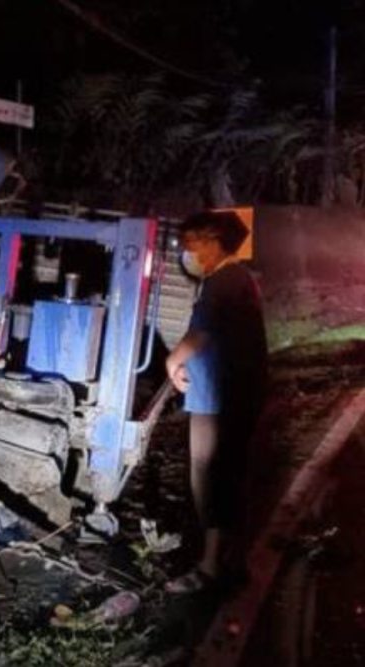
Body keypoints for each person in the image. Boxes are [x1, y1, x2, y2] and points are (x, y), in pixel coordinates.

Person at [164, 210, 267, 594]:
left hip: (218, 397)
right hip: (234, 392)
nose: (187, 253)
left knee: (207, 474)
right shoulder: (239, 279)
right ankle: (229, 559)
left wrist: (172, 360)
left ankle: (209, 568)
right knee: (226, 473)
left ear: (211, 243)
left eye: (192, 245)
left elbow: (200, 336)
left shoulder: (223, 280)